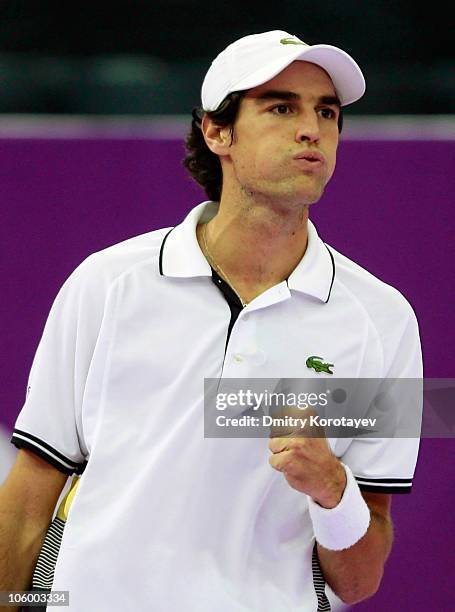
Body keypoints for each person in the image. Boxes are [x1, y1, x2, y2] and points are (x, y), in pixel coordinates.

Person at [0, 30, 422, 612]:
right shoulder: (107, 282)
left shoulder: (386, 320)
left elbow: (359, 581)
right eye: (281, 107)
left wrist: (332, 490)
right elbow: (29, 501)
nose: (312, 130)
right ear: (216, 131)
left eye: (327, 112)